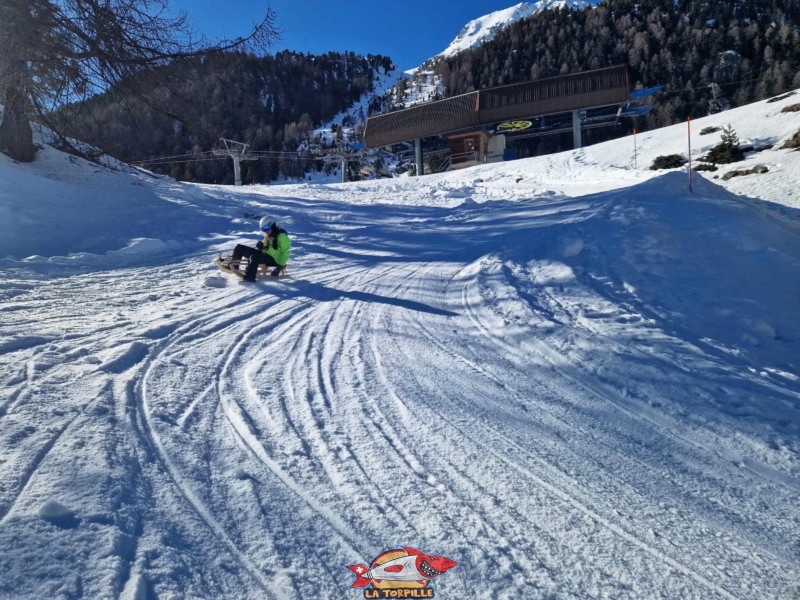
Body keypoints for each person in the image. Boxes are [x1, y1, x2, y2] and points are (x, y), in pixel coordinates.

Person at [230, 217, 291, 282]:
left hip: (274, 260)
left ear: (272, 225)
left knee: (254, 257)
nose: (265, 231)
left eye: (266, 228)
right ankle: (234, 267)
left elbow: (286, 253)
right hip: (264, 255)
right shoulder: (269, 235)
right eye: (262, 229)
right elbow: (264, 244)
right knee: (239, 248)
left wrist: (278, 268)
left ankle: (249, 278)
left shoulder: (282, 236)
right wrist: (260, 245)